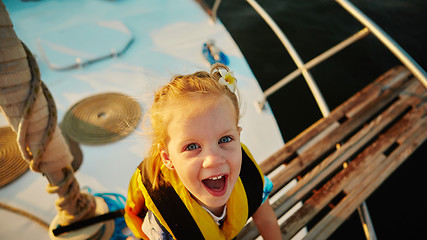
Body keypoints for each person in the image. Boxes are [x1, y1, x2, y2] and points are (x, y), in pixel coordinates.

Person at [124, 63, 281, 240]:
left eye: (225, 139)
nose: (213, 160)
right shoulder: (164, 223)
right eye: (192, 146)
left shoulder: (248, 174)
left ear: (238, 136)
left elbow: (267, 220)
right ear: (167, 158)